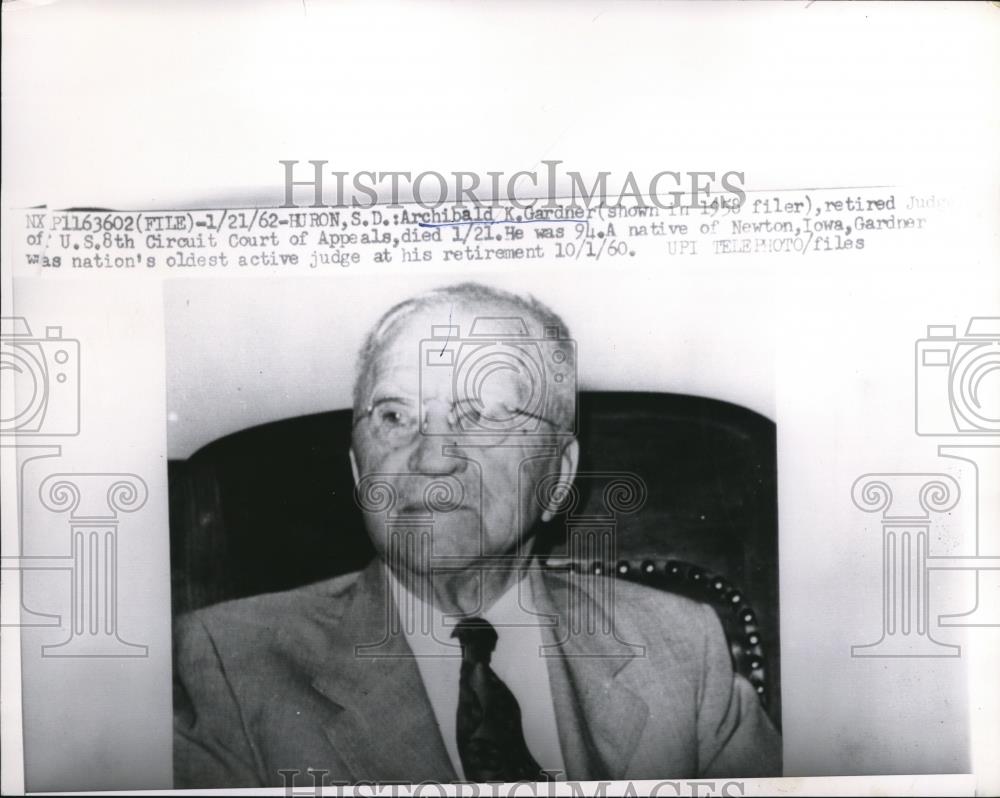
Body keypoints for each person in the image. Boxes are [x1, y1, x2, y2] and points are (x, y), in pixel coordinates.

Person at [173, 282, 781, 788]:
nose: (432, 458)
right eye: (395, 416)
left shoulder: (681, 650)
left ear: (558, 477)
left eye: (485, 416)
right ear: (359, 471)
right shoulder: (227, 664)